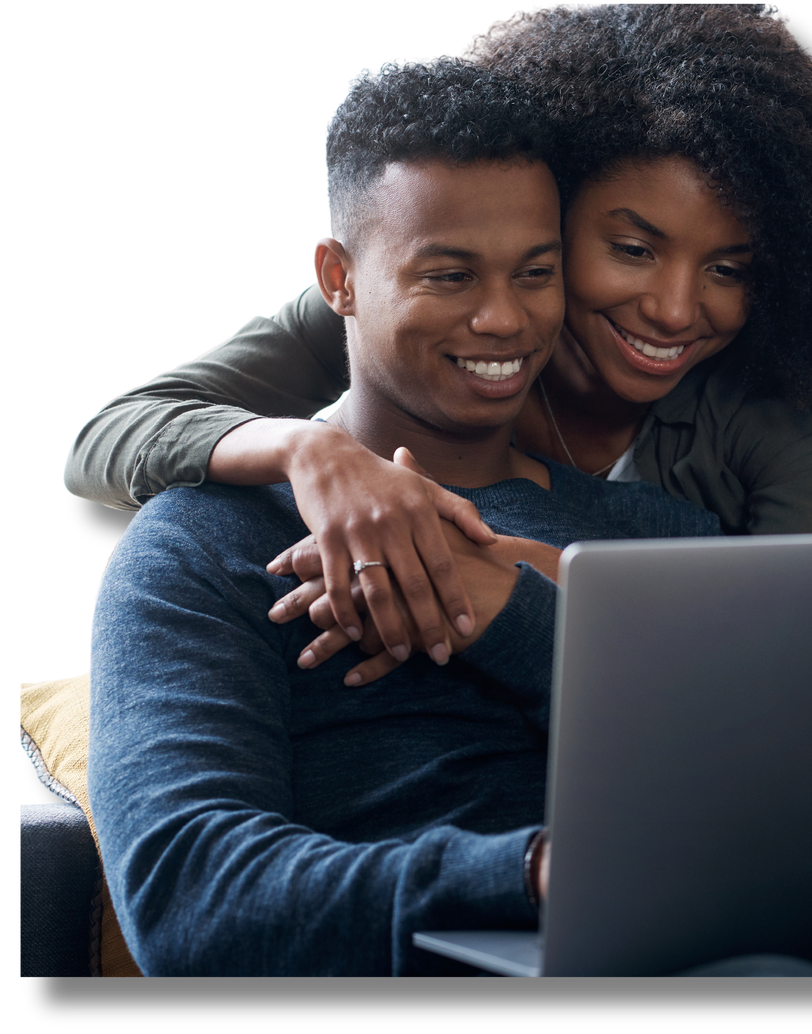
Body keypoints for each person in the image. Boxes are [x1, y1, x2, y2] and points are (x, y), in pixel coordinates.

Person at [89, 56, 721, 977]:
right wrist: (537, 874)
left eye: (535, 272)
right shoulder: (201, 544)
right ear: (338, 278)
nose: (505, 319)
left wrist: (509, 611)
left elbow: (769, 789)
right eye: (451, 277)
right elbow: (188, 898)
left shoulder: (663, 538)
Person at [64, 2, 812, 676]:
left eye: (729, 269)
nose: (672, 307)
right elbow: (102, 438)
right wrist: (313, 454)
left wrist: (520, 575)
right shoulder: (414, 312)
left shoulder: (773, 411)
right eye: (631, 248)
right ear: (549, 213)